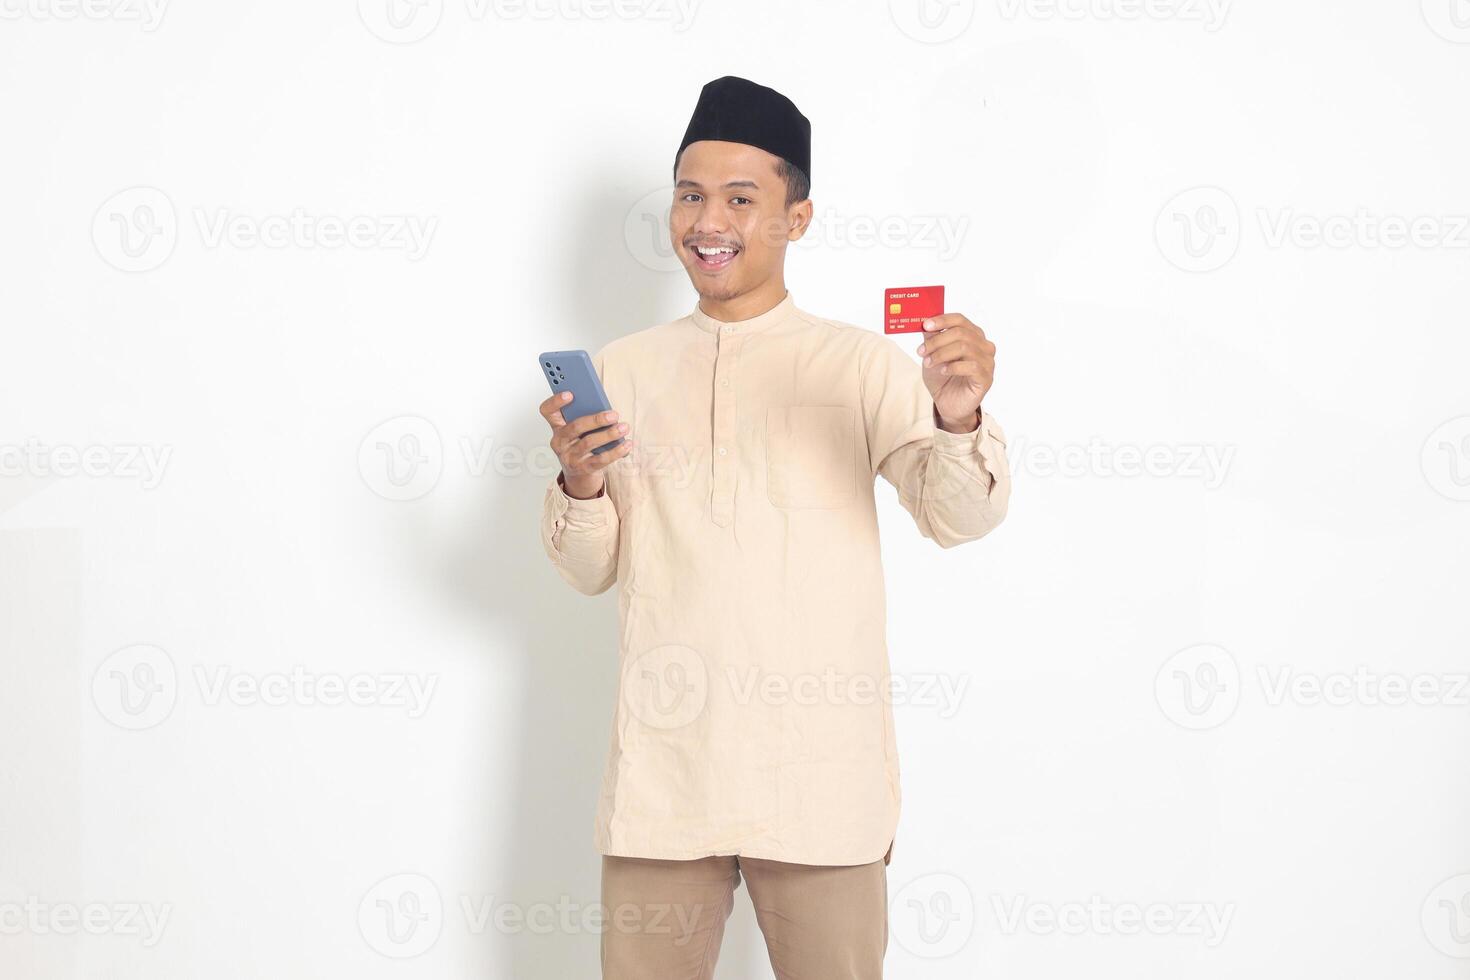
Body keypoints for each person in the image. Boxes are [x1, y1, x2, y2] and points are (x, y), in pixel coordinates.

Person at [537, 75, 1011, 980]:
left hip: (821, 785)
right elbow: (588, 570)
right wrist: (581, 479)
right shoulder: (624, 371)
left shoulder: (859, 365)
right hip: (665, 784)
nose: (707, 221)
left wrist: (957, 416)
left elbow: (961, 516)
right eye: (690, 195)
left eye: (741, 199)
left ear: (797, 218)